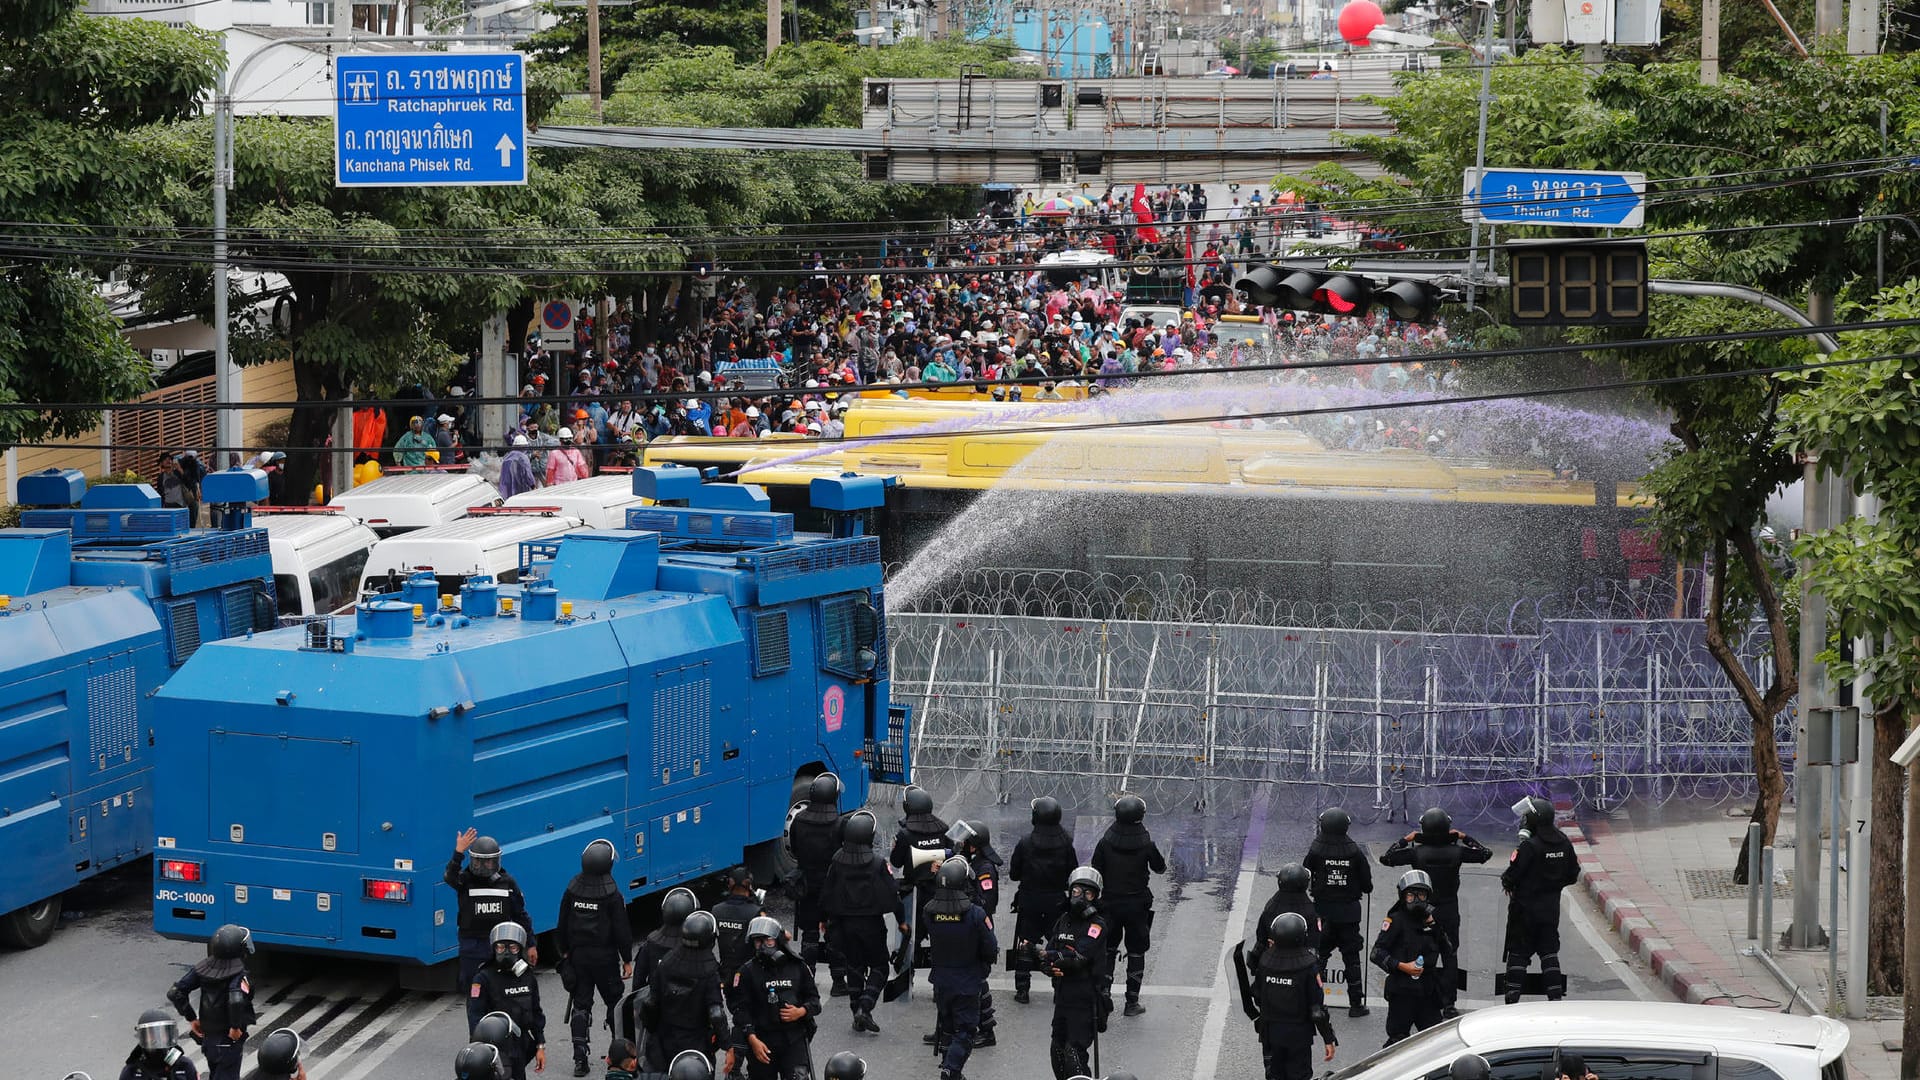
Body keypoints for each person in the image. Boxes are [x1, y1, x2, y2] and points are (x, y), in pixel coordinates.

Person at [1380, 808, 1491, 1017]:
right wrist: (1464, 837)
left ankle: (1421, 995)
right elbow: (1485, 854)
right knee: (1450, 956)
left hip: (1421, 909)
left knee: (1420, 952)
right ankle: (1449, 1003)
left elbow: (1387, 858)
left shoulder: (1417, 852)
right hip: (1449, 909)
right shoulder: (1457, 851)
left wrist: (1407, 839)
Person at [819, 810, 905, 1035]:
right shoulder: (877, 863)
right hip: (871, 926)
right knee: (880, 967)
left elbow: (827, 891)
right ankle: (865, 1007)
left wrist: (823, 920)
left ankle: (856, 1012)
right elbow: (892, 893)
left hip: (843, 926)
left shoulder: (837, 860)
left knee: (854, 967)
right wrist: (902, 920)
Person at [558, 839, 634, 1076]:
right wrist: (627, 958)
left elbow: (562, 924)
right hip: (605, 958)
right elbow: (621, 929)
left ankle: (580, 1059)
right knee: (615, 1004)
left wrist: (565, 952)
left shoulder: (572, 889)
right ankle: (619, 1057)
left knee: (580, 1006)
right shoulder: (611, 893)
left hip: (579, 957)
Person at [448, 829, 536, 1032]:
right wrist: (458, 852)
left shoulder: (507, 883)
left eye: (488, 861)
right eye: (478, 861)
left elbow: (521, 916)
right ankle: (477, 1038)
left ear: (496, 861)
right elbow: (449, 876)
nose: (482, 866)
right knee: (475, 997)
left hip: (500, 950)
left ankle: (501, 1035)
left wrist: (531, 944)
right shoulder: (465, 881)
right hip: (472, 948)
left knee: (502, 994)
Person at [1090, 794, 1166, 1016]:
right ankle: (1131, 1002)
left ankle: (1103, 994)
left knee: (1107, 950)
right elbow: (1160, 868)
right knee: (1136, 952)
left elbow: (1096, 871)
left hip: (1110, 903)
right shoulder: (1146, 844)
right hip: (1137, 905)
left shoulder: (1105, 842)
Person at [1500, 796, 1579, 1004]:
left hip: (1524, 912)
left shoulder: (1530, 846)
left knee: (1518, 955)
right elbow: (1573, 874)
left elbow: (1511, 876)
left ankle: (1511, 1001)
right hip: (1549, 910)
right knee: (1549, 954)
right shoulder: (1563, 841)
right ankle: (1555, 999)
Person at [925, 857, 998, 1080]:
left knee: (947, 1028)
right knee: (966, 1031)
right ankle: (951, 1070)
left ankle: (950, 1069)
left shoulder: (929, 911)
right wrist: (983, 967)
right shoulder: (976, 914)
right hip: (967, 981)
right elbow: (990, 947)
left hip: (941, 981)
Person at [726, 916, 820, 1080]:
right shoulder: (747, 971)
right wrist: (752, 1039)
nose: (763, 946)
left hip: (793, 1040)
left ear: (778, 940)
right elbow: (741, 1010)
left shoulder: (799, 967)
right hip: (762, 1042)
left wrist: (801, 1011)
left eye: (768, 940)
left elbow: (815, 1001)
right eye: (758, 941)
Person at [1248, 913, 1337, 1080]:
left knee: (1275, 1075)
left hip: (1271, 1032)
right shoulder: (1308, 965)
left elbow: (1257, 994)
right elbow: (1317, 1009)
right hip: (1298, 1035)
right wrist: (1328, 1038)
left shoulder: (1266, 961)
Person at [1304, 807, 1372, 1017]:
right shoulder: (1354, 852)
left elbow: (1305, 873)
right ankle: (1356, 1004)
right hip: (1349, 914)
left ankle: (1316, 1004)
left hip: (1323, 913)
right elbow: (1367, 885)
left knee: (1319, 958)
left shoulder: (1316, 850)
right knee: (1351, 959)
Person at [165, 923, 256, 1080]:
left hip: (209, 1040)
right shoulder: (238, 975)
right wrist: (234, 1027)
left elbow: (176, 992)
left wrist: (191, 1018)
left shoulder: (201, 969)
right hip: (228, 1041)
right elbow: (235, 1000)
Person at [1045, 866, 1111, 1080]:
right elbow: (1050, 952)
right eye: (1076, 891)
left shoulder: (1097, 925)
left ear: (1095, 897)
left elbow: (1079, 959)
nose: (1080, 897)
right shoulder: (1063, 920)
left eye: (1087, 893)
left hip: (1085, 1000)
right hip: (1062, 997)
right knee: (1057, 1051)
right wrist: (1046, 964)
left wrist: (1056, 957)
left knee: (1074, 1055)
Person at [641, 910, 729, 1070]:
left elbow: (651, 1002)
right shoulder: (709, 971)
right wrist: (727, 1045)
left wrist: (652, 1030)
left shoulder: (667, 962)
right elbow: (716, 1014)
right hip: (696, 1043)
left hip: (664, 1039)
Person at [1010, 796, 1076, 1005]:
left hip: (1029, 900)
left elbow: (1013, 874)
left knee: (1025, 943)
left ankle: (1022, 989)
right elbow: (1072, 873)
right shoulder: (1066, 842)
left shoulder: (1025, 842)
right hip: (1056, 902)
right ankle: (1059, 986)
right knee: (1058, 944)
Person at [786, 773, 848, 997]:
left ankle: (808, 977)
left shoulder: (799, 821)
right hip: (832, 886)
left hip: (807, 885)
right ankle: (838, 981)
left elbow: (793, 849)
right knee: (834, 934)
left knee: (809, 934)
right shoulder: (840, 824)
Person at [1370, 871, 1447, 1045]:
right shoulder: (1396, 920)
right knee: (1397, 1042)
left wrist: (1434, 926)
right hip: (1402, 991)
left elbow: (1448, 950)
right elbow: (1376, 953)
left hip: (1428, 991)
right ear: (1403, 896)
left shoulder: (1432, 920)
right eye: (1411, 895)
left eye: (1421, 895)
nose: (1417, 900)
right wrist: (1402, 966)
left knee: (1435, 1041)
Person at [948, 820, 1003, 1046]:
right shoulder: (972, 862)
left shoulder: (985, 868)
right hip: (966, 928)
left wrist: (966, 887)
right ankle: (949, 1028)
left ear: (975, 844)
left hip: (977, 930)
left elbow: (986, 903)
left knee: (977, 981)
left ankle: (987, 1031)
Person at [472, 924, 547, 1079]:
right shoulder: (483, 978)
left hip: (520, 1045)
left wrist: (540, 1046)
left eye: (512, 947)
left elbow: (536, 1012)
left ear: (520, 949)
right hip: (495, 1047)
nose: (506, 952)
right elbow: (475, 1016)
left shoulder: (527, 976)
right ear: (494, 949)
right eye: (500, 947)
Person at [628, 887, 699, 1051]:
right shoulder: (695, 944)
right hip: (687, 1014)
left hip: (657, 1011)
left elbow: (638, 979)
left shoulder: (651, 942)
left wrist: (639, 1008)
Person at [888, 785, 951, 966]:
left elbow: (897, 862)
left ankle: (907, 977)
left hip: (914, 895)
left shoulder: (905, 834)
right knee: (940, 939)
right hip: (939, 891)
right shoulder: (941, 829)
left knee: (910, 939)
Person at [712, 866, 767, 1018]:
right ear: (749, 885)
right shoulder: (755, 912)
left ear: (729, 884)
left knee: (737, 1011)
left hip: (726, 976)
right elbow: (780, 937)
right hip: (751, 976)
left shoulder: (716, 911)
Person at [1250, 863, 1319, 966]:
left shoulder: (1271, 907)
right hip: (1300, 964)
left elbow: (1261, 938)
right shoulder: (1310, 911)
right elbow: (1314, 943)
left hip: (1272, 961)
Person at [120, 1009, 197, 1080]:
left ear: (169, 1036)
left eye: (162, 1034)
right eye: (151, 1034)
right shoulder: (132, 1070)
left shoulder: (183, 1065)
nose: (157, 1039)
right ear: (143, 1037)